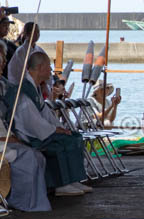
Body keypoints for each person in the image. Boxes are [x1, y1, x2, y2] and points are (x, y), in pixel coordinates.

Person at [8, 51, 91, 197]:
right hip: (29, 134)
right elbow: (32, 121)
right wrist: (54, 130)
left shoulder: (35, 87)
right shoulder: (24, 90)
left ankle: (73, 179)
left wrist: (60, 128)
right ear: (40, 68)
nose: (51, 71)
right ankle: (62, 184)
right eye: (49, 67)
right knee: (62, 142)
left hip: (39, 129)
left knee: (74, 136)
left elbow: (44, 112)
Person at [0, 94, 50, 211]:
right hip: (3, 145)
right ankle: (22, 201)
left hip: (5, 143)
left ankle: (36, 200)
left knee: (37, 155)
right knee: (28, 156)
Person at [7, 22, 44, 87]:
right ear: (27, 34)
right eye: (34, 32)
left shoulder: (39, 50)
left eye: (38, 32)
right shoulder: (21, 51)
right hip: (21, 85)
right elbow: (21, 72)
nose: (37, 34)